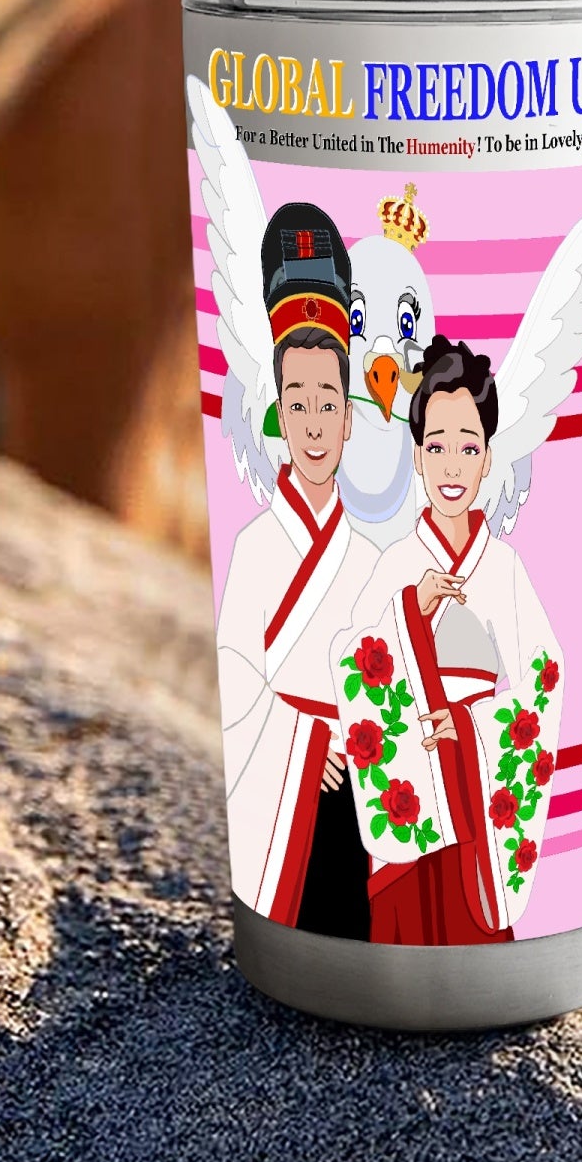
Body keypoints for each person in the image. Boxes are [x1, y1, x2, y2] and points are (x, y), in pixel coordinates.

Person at [329, 336, 565, 945]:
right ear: (417, 457)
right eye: (436, 447)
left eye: (468, 447)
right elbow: (351, 653)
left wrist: (471, 726)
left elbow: (544, 674)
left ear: (488, 460)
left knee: (472, 929)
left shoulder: (502, 569)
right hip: (412, 768)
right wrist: (412, 608)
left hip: (475, 782)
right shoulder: (398, 563)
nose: (452, 467)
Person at [214, 203, 378, 939]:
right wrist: (308, 745)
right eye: (298, 403)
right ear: (280, 413)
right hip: (291, 781)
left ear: (348, 419)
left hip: (363, 777)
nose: (313, 423)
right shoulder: (257, 546)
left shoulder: (369, 551)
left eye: (328, 404)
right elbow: (239, 669)